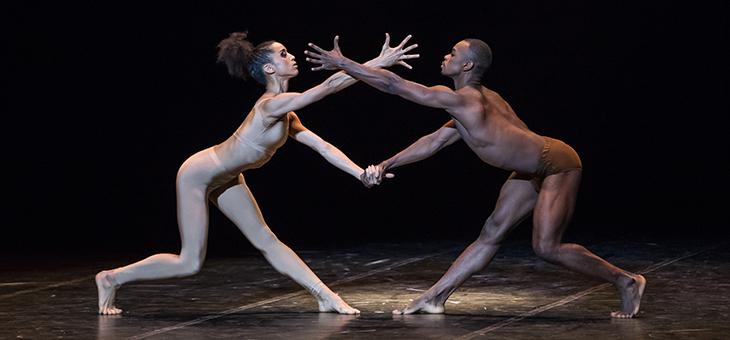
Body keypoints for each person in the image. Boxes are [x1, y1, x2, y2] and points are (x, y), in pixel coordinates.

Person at [305, 36, 646, 318]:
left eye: (453, 53)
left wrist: (345, 63)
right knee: (491, 233)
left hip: (557, 163)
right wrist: (386, 163)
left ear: (466, 65)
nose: (446, 55)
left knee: (545, 247)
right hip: (531, 169)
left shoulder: (466, 101)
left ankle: (626, 281)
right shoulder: (469, 105)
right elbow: (433, 141)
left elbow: (397, 86)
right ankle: (435, 297)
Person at [95, 32, 416, 315]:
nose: (290, 57)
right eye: (283, 53)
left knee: (267, 239)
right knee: (189, 263)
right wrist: (378, 62)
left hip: (227, 176)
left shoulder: (286, 114)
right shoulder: (269, 106)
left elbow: (323, 147)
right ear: (269, 69)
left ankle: (325, 296)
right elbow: (329, 86)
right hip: (197, 174)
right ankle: (111, 277)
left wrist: (360, 173)